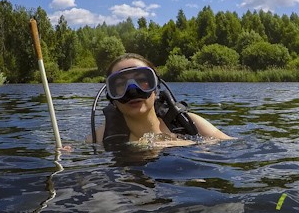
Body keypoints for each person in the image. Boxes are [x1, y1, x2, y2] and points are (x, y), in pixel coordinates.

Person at [90, 53, 232, 145]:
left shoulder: (190, 123)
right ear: (111, 96)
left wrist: (190, 145)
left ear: (156, 87)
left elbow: (235, 148)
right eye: (120, 84)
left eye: (142, 80)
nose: (132, 91)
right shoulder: (100, 137)